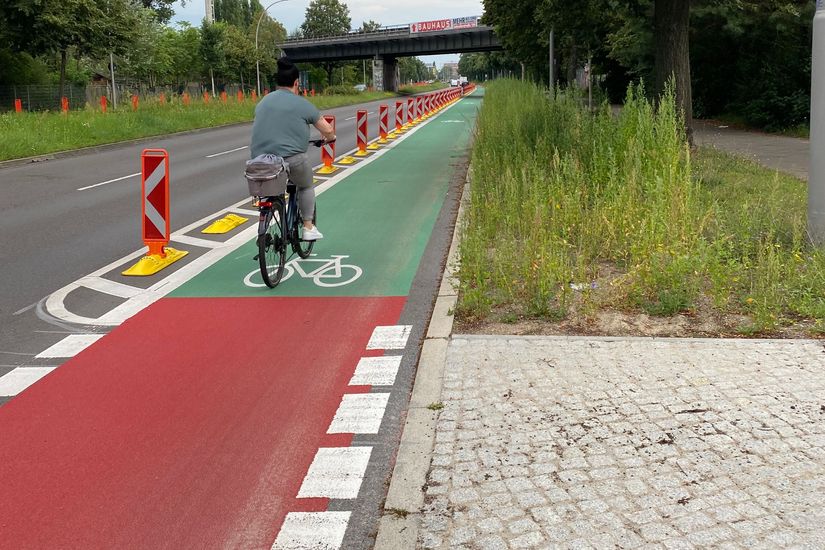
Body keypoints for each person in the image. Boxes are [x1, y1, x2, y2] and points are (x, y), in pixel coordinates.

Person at [250, 57, 335, 240]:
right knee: (305, 186)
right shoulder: (302, 104)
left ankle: (270, 215)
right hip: (292, 158)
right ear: (297, 83)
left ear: (277, 82)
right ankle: (308, 227)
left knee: (274, 191)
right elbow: (327, 129)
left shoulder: (263, 102)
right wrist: (331, 138)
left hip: (260, 161)